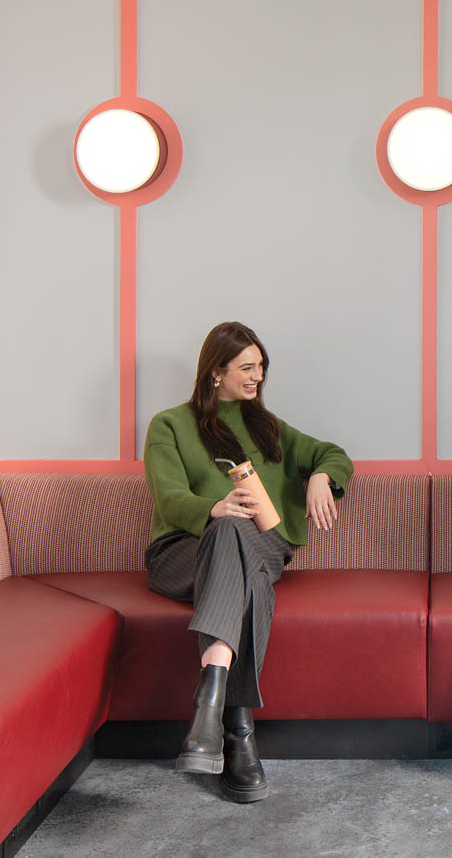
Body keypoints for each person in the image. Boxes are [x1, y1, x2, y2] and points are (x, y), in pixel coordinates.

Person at [143, 321, 351, 803]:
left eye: (261, 367)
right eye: (247, 367)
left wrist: (322, 476)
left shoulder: (268, 426)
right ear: (215, 371)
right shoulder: (170, 424)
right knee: (236, 541)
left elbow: (333, 453)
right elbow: (167, 495)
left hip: (260, 545)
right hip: (183, 553)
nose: (257, 376)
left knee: (240, 533)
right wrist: (212, 509)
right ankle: (238, 732)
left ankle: (209, 706)